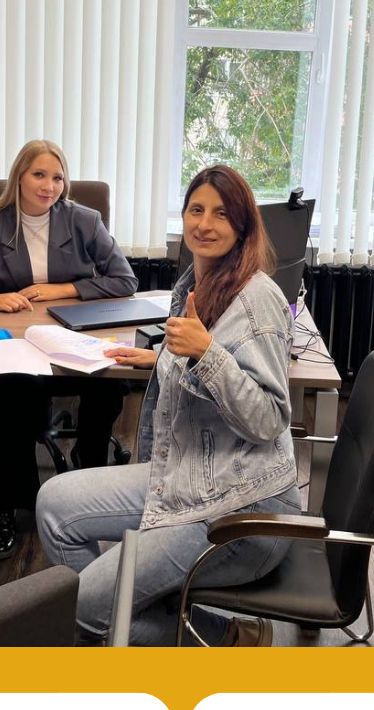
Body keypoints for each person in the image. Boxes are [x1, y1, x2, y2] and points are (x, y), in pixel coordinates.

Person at [36, 164, 300, 647]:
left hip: (241, 512)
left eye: (222, 214)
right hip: (189, 474)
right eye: (196, 210)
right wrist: (162, 358)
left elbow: (267, 419)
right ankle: (127, 612)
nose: (205, 224)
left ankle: (223, 639)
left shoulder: (256, 299)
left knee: (79, 606)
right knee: (53, 504)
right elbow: (205, 357)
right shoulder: (198, 283)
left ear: (243, 227)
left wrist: (205, 353)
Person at [0, 140, 137, 559]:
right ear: (19, 176)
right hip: (13, 345)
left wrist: (63, 289)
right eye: (39, 175)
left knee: (108, 386)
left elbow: (125, 280)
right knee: (19, 396)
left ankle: (88, 484)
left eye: (57, 178)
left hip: (70, 340)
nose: (49, 186)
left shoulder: (84, 221)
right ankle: (9, 506)